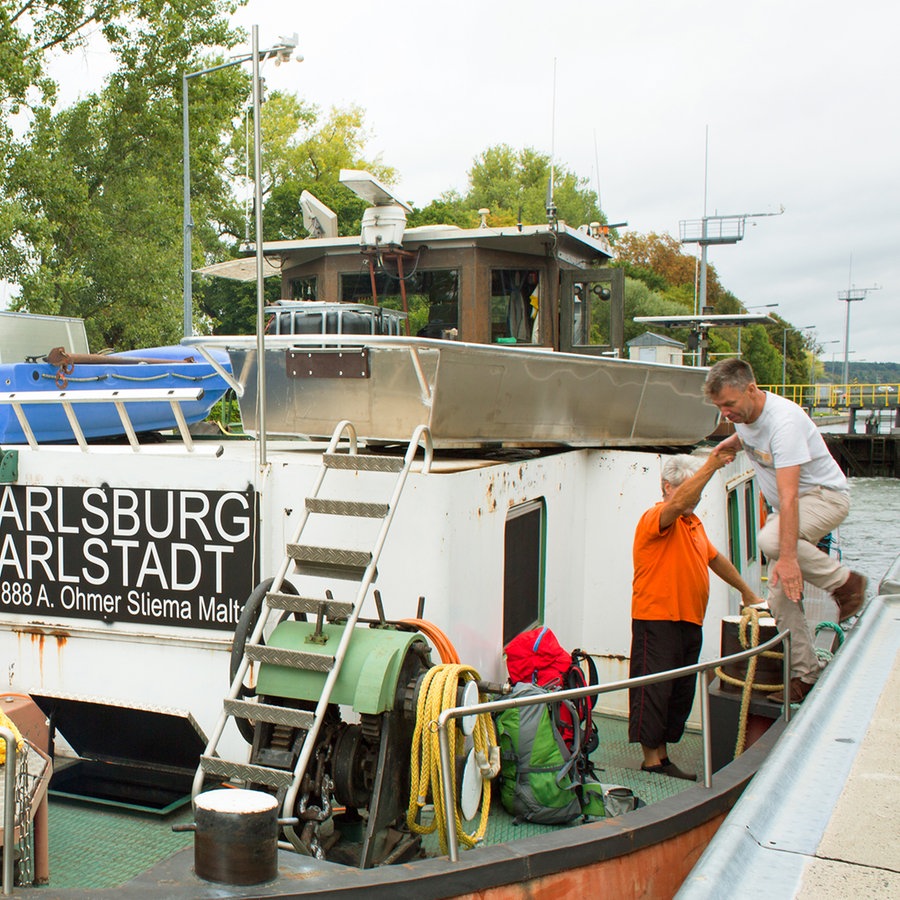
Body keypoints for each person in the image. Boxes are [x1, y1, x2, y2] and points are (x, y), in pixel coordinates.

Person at [703, 358, 867, 705]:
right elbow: (748, 433)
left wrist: (789, 557)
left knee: (772, 541)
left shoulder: (785, 423)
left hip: (823, 498)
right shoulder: (745, 417)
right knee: (779, 596)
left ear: (751, 389)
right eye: (719, 408)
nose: (725, 413)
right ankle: (804, 675)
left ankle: (846, 583)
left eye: (729, 405)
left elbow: (790, 497)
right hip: (792, 508)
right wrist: (731, 443)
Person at [629, 448, 762, 780]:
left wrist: (747, 592)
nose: (695, 498)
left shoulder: (694, 525)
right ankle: (652, 760)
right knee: (655, 690)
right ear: (666, 487)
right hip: (657, 618)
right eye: (689, 490)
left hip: (689, 620)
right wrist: (713, 465)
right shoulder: (656, 518)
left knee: (678, 691)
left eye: (698, 492)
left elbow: (715, 559)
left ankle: (663, 755)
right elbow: (675, 506)